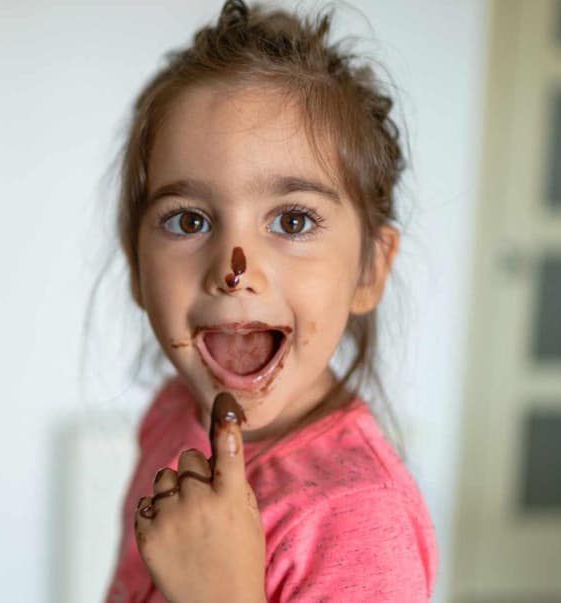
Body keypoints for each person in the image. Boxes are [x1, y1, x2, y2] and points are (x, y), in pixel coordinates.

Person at [103, 1, 438, 601]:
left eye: (291, 220)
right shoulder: (173, 414)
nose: (236, 272)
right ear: (136, 266)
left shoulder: (358, 520)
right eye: (188, 220)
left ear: (369, 269)